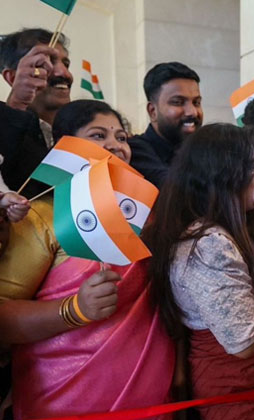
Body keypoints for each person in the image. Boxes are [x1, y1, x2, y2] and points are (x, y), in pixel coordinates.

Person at [0, 99, 174, 419]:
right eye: (98, 135)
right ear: (66, 150)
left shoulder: (149, 218)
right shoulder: (43, 218)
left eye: (121, 137)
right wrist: (75, 309)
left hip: (152, 399)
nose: (115, 145)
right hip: (61, 402)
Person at [144, 123, 254, 419]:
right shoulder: (209, 245)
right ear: (221, 175)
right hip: (241, 395)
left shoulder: (238, 227)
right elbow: (244, 342)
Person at [0, 28, 73, 197]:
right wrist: (17, 103)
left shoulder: (81, 131)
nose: (64, 73)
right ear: (12, 77)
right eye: (45, 63)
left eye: (66, 64)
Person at [128, 62, 203, 187]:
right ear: (152, 111)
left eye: (196, 103)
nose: (192, 112)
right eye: (178, 102)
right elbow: (176, 190)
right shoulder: (135, 151)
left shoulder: (203, 152)